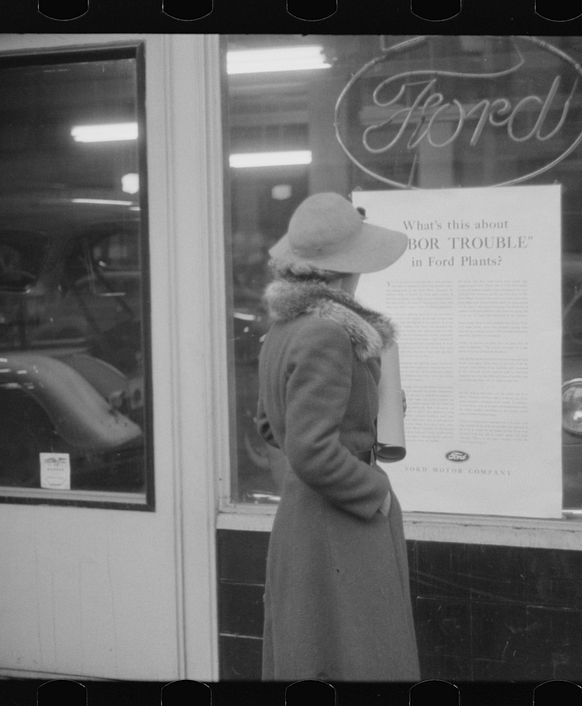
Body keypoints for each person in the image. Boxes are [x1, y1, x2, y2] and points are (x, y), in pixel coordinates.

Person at [255, 192, 420, 681]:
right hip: (342, 520)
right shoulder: (328, 334)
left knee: (313, 654)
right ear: (347, 268)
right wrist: (375, 490)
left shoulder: (286, 329)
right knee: (364, 657)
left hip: (304, 517)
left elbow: (272, 425)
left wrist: (369, 411)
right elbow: (313, 449)